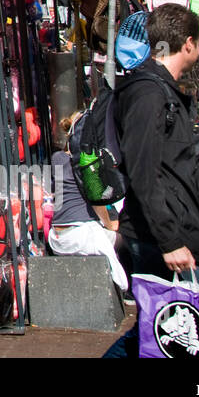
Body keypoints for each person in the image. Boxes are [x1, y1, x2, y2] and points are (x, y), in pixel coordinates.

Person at [114, 4, 199, 291]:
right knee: (184, 327)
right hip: (156, 235)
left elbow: (188, 165)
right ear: (188, 44)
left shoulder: (165, 90)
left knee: (167, 328)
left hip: (175, 227)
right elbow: (143, 172)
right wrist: (169, 241)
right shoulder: (148, 93)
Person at [48, 115, 128, 291]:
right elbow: (98, 203)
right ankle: (125, 294)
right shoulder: (87, 163)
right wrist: (110, 224)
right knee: (124, 238)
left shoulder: (58, 158)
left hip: (57, 236)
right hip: (80, 236)